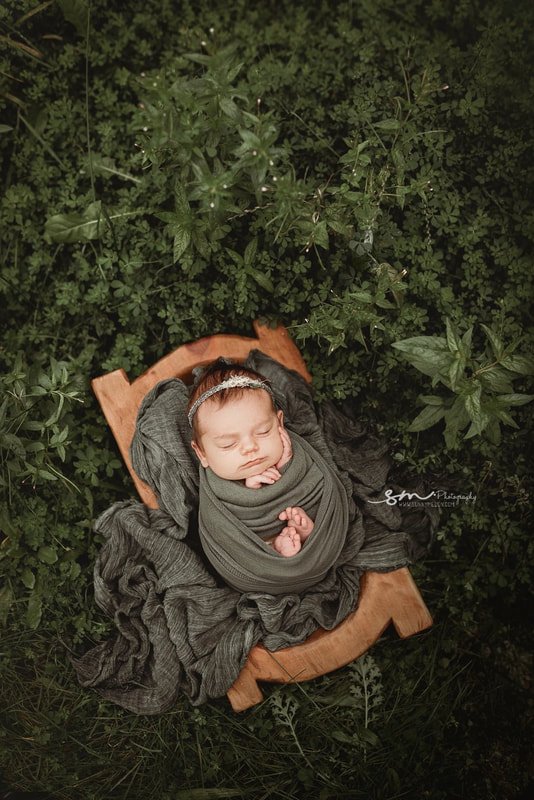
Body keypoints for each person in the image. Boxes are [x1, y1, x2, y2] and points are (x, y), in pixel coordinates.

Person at [188, 363, 315, 557]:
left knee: (306, 514)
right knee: (243, 547)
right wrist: (248, 493)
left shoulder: (299, 455)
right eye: (228, 444)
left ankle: (304, 533)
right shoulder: (216, 490)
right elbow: (222, 532)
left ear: (280, 423)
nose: (250, 448)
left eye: (263, 432)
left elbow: (316, 486)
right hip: (249, 552)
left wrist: (288, 467)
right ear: (202, 454)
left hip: (318, 539)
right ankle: (273, 549)